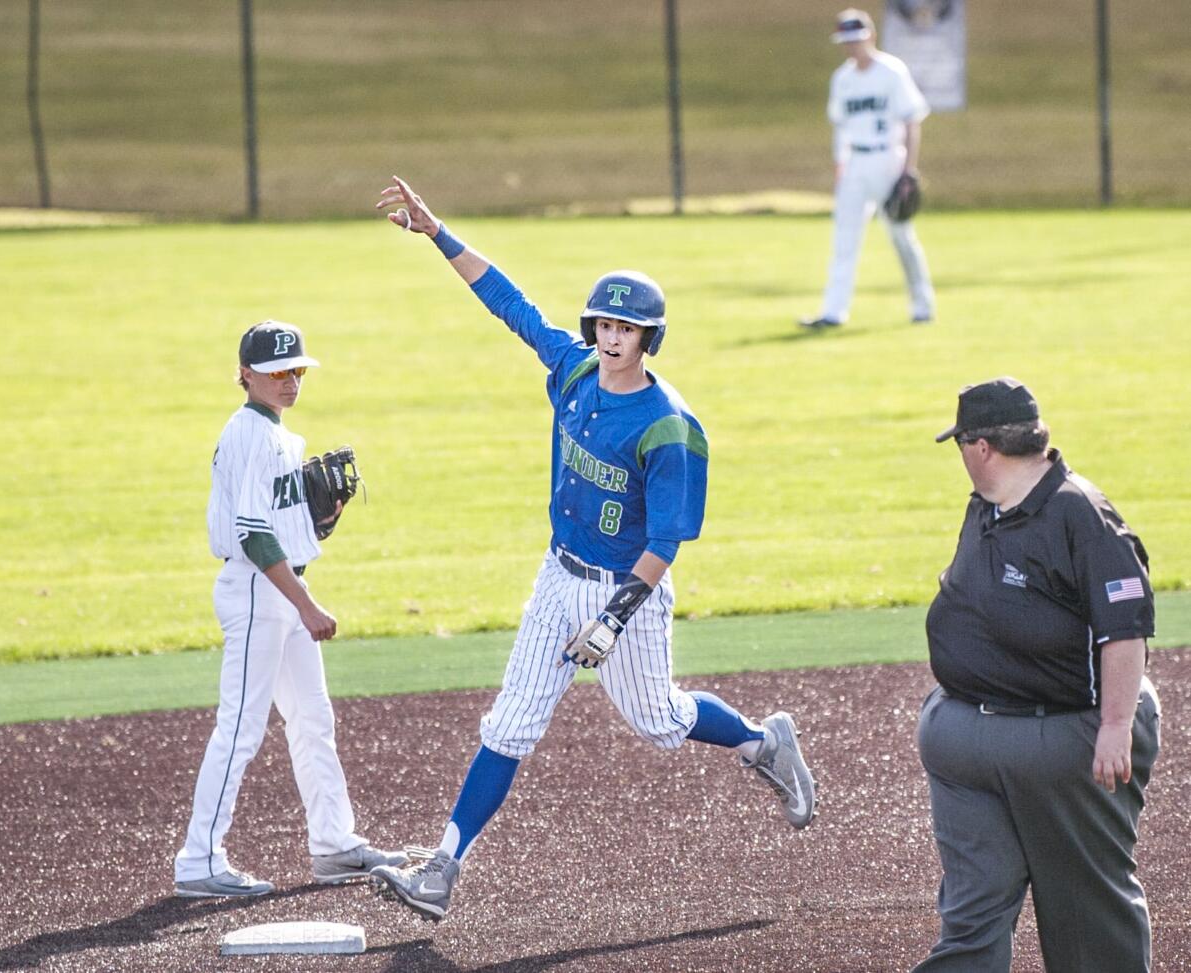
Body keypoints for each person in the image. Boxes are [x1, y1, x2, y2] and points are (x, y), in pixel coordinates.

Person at [367, 176, 817, 921]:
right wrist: (437, 230)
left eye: (627, 329)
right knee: (509, 724)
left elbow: (667, 540)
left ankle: (763, 742)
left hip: (628, 590)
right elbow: (511, 305)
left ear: (649, 339)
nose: (611, 338)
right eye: (604, 323)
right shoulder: (574, 369)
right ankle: (442, 868)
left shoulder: (670, 427)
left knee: (661, 723)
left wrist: (613, 617)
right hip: (558, 576)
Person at [913, 377, 1161, 971]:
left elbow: (1124, 629)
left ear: (980, 447)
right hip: (967, 741)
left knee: (1087, 914)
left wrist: (1116, 725)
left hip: (1065, 736)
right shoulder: (989, 507)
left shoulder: (1083, 515)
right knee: (972, 912)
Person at [173, 320, 406, 897]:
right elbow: (252, 534)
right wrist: (305, 605)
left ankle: (333, 843)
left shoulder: (278, 435)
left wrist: (318, 523)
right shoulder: (250, 432)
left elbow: (281, 526)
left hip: (278, 586)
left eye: (296, 369)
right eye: (277, 372)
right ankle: (199, 860)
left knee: (312, 719)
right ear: (246, 375)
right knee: (241, 727)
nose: (289, 380)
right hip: (261, 591)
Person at [800, 8, 935, 330]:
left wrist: (908, 171)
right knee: (844, 238)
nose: (852, 47)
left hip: (888, 158)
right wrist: (840, 165)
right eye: (846, 41)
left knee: (901, 235)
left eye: (857, 40)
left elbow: (912, 121)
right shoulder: (843, 79)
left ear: (871, 36)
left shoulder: (891, 71)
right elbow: (841, 127)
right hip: (855, 163)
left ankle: (922, 306)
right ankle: (834, 312)